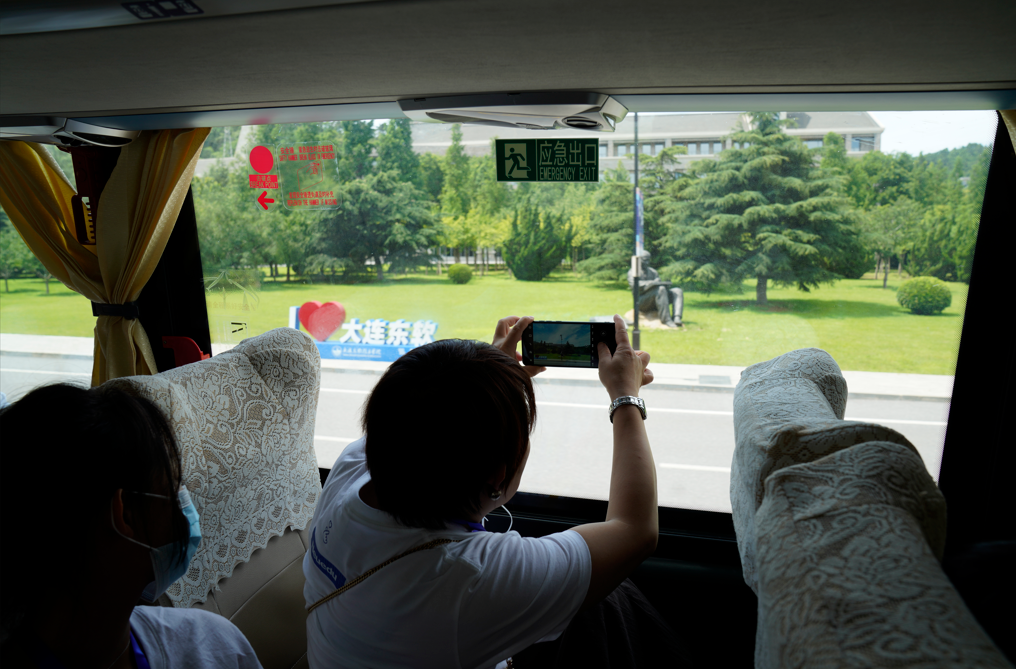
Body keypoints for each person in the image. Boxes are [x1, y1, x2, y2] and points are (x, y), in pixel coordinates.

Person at [303, 315, 689, 668]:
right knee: (611, 599)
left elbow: (418, 420)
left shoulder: (352, 470)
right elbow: (634, 531)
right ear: (498, 476)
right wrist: (625, 396)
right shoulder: (467, 578)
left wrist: (490, 377)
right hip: (451, 624)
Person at [0, 383, 262, 669]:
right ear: (125, 514)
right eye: (174, 488)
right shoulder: (210, 647)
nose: (186, 511)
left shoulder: (216, 644)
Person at [627, 250, 683, 327]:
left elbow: (658, 283)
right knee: (660, 289)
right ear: (639, 259)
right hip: (642, 302)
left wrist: (663, 284)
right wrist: (651, 283)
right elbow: (635, 285)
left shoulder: (653, 271)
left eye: (648, 260)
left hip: (655, 299)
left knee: (677, 291)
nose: (647, 262)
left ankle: (677, 317)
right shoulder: (633, 272)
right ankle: (666, 320)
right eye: (645, 260)